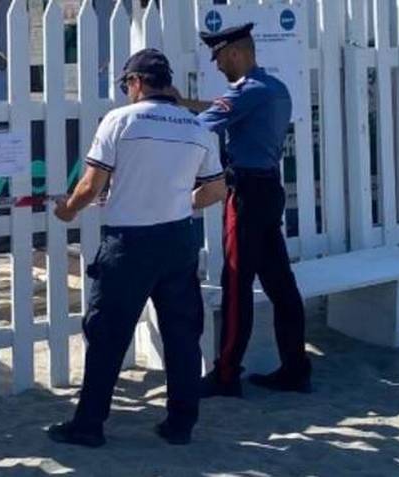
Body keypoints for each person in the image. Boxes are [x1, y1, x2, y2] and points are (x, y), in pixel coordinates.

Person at [47, 49, 227, 447]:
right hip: (178, 239)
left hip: (129, 242)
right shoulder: (196, 127)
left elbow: (90, 185)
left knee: (107, 334)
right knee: (182, 335)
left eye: (126, 84)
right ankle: (180, 423)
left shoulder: (120, 120)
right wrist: (182, 201)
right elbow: (216, 190)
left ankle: (89, 424)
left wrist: (67, 210)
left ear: (137, 82)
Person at [173, 23, 312, 398]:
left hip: (246, 193)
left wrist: (165, 112)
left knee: (236, 284)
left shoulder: (246, 91)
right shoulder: (274, 88)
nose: (218, 66)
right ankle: (295, 369)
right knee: (280, 284)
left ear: (235, 52)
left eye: (219, 58)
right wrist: (184, 101)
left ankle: (226, 374)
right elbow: (225, 109)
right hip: (269, 189)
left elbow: (201, 127)